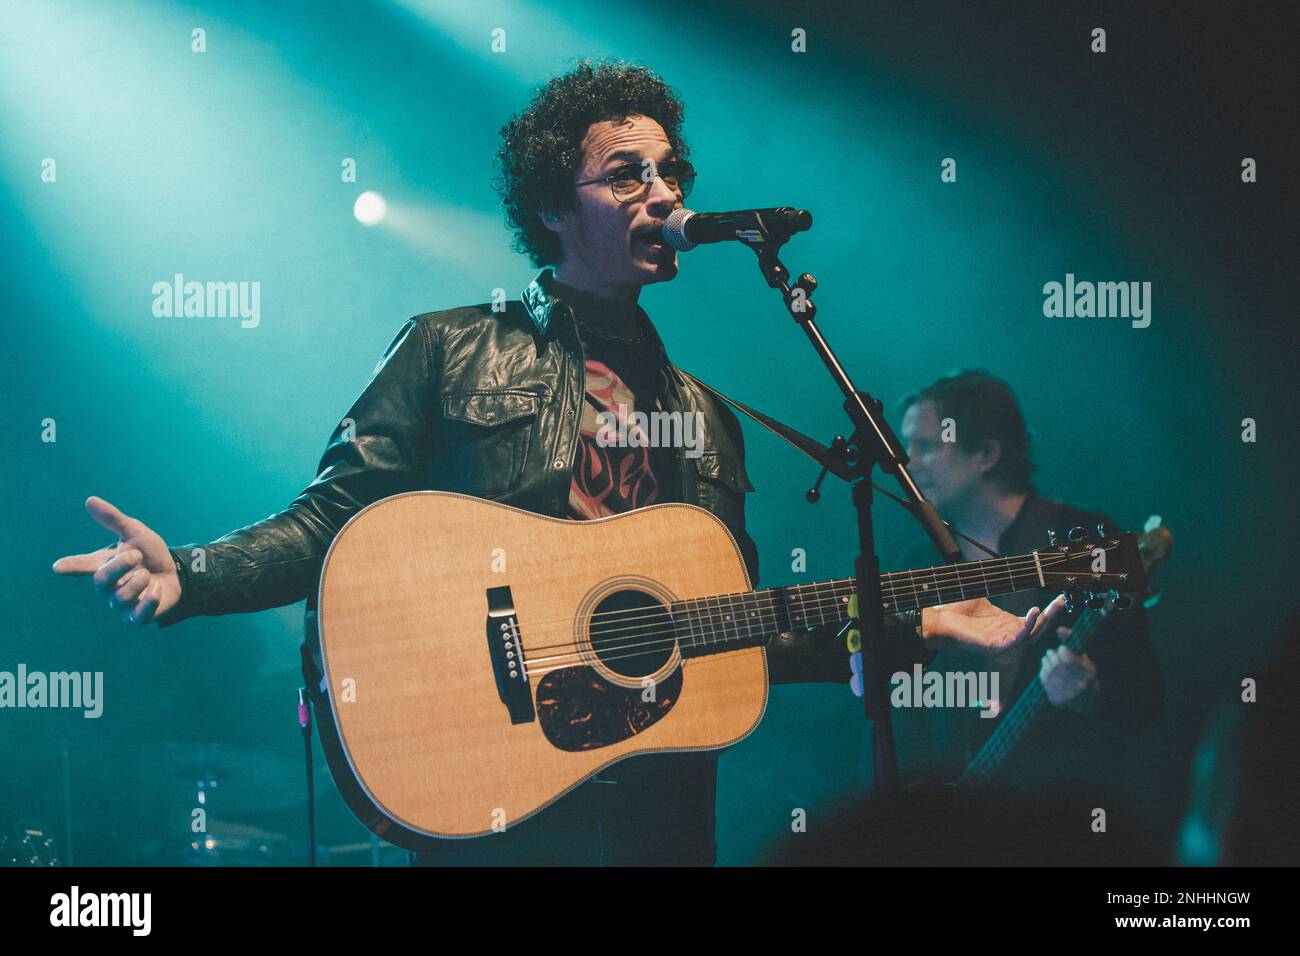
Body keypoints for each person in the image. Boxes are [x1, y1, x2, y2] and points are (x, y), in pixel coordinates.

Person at [52, 61, 1062, 865]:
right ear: (549, 205)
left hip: (659, 814)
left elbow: (728, 623)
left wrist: (912, 615)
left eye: (671, 172)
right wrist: (193, 571)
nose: (663, 193)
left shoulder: (709, 417)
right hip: (490, 787)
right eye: (627, 172)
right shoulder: (451, 347)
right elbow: (335, 519)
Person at [892, 370, 1162, 792]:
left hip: (1056, 813)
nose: (906, 462)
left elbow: (1144, 699)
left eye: (925, 446)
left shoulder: (1087, 541)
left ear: (985, 453)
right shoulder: (918, 561)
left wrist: (1091, 693)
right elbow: (907, 714)